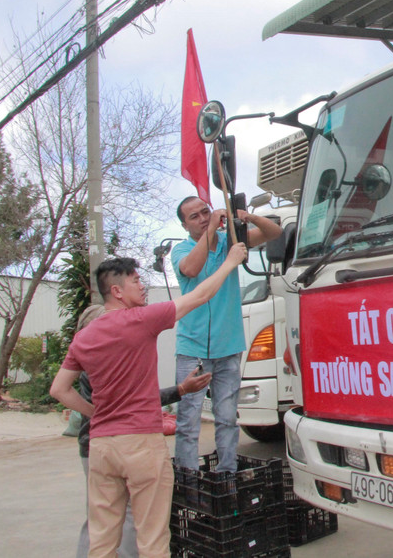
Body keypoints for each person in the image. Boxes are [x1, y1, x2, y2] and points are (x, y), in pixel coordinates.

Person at [50, 244, 246, 558]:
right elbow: (199, 296)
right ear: (116, 291)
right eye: (136, 281)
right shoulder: (141, 320)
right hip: (141, 442)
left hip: (101, 448)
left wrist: (96, 413)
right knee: (152, 540)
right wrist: (230, 262)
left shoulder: (83, 337)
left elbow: (59, 390)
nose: (142, 286)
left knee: (101, 541)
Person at [72, 304, 212, 558]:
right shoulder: (103, 363)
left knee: (101, 519)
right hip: (109, 442)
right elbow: (136, 399)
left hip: (97, 445)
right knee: (123, 518)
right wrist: (180, 390)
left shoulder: (90, 358)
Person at [171, 197, 282, 473]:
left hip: (228, 346)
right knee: (188, 418)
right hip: (193, 347)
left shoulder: (228, 242)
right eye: (194, 216)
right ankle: (188, 476)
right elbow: (191, 269)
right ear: (185, 225)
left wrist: (251, 218)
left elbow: (275, 233)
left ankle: (227, 471)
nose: (202, 218)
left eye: (205, 212)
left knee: (227, 417)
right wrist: (212, 231)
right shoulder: (182, 250)